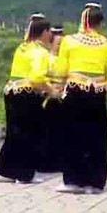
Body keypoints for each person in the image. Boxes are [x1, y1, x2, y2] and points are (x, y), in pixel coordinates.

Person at [54, 3, 107, 194]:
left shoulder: (69, 41)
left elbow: (60, 69)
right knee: (96, 136)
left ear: (84, 19)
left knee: (73, 135)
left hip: (75, 91)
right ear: (100, 23)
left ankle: (73, 180)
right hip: (97, 93)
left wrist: (58, 86)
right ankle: (95, 182)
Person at [0, 14, 58, 184]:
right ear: (44, 32)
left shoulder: (22, 47)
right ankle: (24, 174)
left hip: (12, 92)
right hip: (26, 95)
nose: (51, 35)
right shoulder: (40, 52)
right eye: (49, 31)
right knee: (33, 133)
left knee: (15, 134)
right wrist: (51, 90)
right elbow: (36, 79)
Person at [37, 25, 65, 175]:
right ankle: (46, 163)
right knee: (48, 130)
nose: (60, 46)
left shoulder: (66, 60)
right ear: (51, 43)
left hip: (63, 96)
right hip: (49, 97)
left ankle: (60, 161)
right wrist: (51, 89)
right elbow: (41, 77)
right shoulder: (46, 57)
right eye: (58, 43)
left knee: (62, 131)